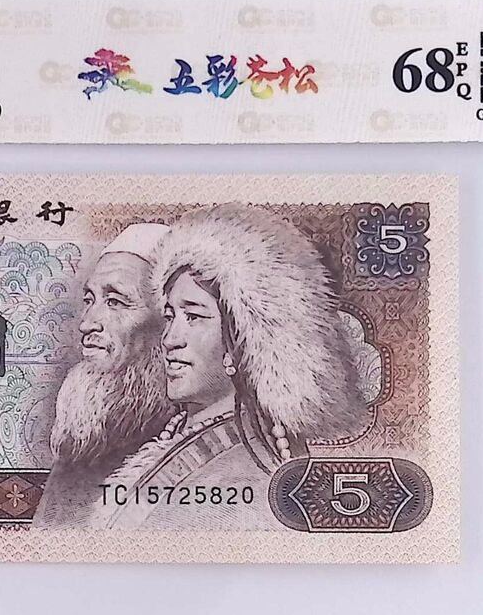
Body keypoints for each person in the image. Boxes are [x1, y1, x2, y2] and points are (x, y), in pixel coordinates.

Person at [92, 204, 376, 531]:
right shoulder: (183, 434)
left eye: (194, 316)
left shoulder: (246, 472)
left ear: (241, 339)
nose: (170, 339)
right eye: (169, 316)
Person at [32, 222, 176, 528]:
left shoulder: (191, 441)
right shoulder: (82, 445)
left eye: (115, 302)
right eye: (89, 300)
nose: (87, 324)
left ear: (168, 323)